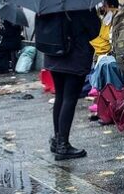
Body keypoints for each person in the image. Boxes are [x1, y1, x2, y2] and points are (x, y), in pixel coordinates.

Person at [40, 9, 100, 160]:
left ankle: (57, 139)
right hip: (74, 57)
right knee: (69, 98)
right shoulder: (81, 5)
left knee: (60, 96)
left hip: (53, 55)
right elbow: (95, 30)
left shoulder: (47, 3)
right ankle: (63, 145)